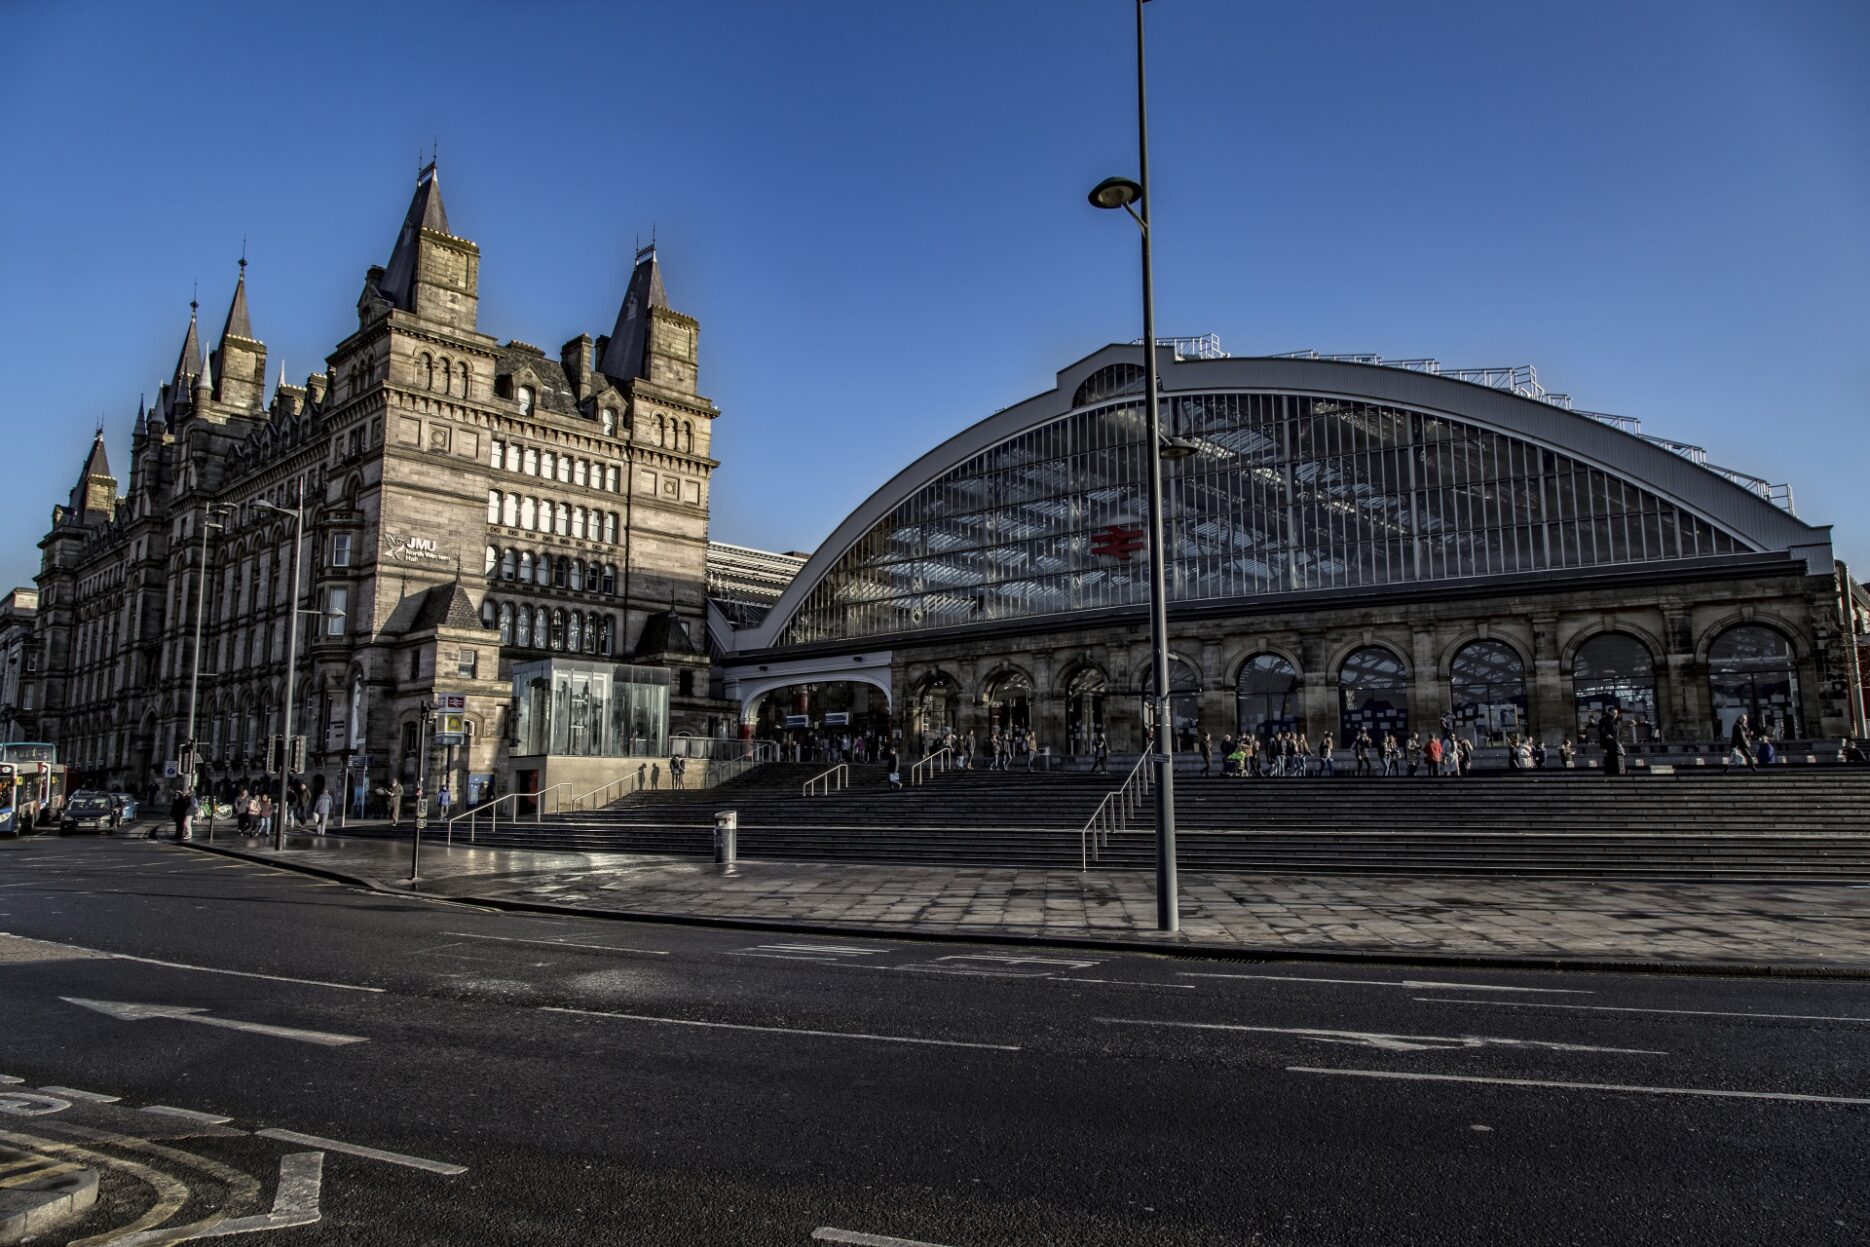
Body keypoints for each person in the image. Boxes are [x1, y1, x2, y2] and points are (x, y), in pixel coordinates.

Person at [1598, 706, 1626, 776]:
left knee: (1619, 755)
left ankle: (1619, 772)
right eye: (1613, 713)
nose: (1615, 715)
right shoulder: (1604, 720)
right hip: (1608, 743)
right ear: (1609, 713)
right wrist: (1606, 735)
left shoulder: (1618, 721)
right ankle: (1610, 773)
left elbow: (1620, 732)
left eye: (1616, 713)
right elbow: (1601, 730)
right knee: (1609, 758)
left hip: (1616, 742)